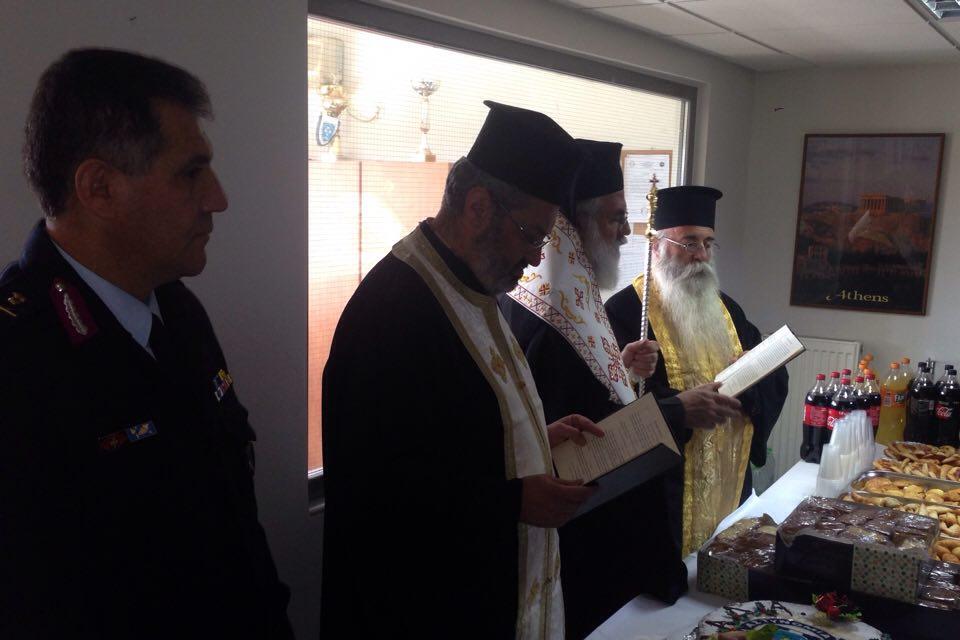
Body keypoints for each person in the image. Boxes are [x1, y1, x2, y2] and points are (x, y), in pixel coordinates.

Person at [0, 49, 292, 639]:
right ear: (100, 188)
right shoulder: (16, 358)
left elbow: (232, 530)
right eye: (190, 172)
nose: (218, 198)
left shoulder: (178, 311)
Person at [321, 101, 604, 639]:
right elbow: (378, 486)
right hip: (423, 609)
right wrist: (513, 500)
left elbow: (446, 433)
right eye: (531, 234)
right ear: (478, 207)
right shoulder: (394, 310)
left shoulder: (471, 287)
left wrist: (534, 440)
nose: (535, 257)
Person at [501, 141, 742, 638]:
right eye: (615, 219)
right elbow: (577, 445)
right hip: (582, 539)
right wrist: (675, 412)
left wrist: (623, 371)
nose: (625, 233)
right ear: (574, 227)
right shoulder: (548, 320)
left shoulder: (572, 303)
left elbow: (588, 401)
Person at [605, 185, 789, 559]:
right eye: (689, 243)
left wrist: (752, 378)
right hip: (667, 492)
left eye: (708, 243)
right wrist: (680, 406)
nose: (701, 255)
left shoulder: (728, 310)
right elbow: (618, 403)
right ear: (656, 246)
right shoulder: (624, 312)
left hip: (729, 480)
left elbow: (768, 380)